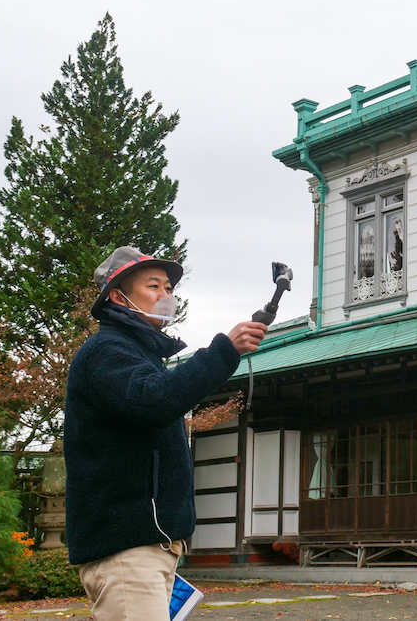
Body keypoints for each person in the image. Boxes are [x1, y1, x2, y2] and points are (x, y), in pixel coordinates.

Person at [64, 246, 267, 621]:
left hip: (147, 547)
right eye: (154, 285)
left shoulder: (138, 356)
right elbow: (155, 401)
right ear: (117, 296)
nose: (166, 295)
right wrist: (225, 350)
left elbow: (159, 397)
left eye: (170, 287)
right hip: (127, 549)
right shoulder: (105, 351)